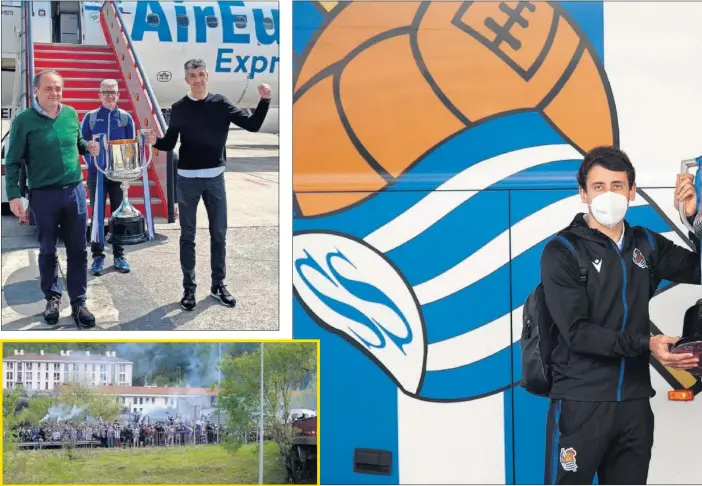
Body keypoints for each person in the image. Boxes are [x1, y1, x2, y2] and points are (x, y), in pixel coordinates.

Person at [540, 146, 700, 485]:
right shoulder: (562, 251)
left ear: (631, 191)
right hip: (581, 402)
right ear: (583, 193)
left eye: (617, 185)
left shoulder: (646, 244)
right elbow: (577, 333)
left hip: (634, 405)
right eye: (598, 187)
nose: (608, 194)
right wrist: (648, 343)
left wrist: (695, 219)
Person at [145, 58, 272, 311]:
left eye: (201, 74)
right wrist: (154, 141)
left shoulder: (221, 103)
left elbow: (253, 125)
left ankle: (218, 285)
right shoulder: (180, 108)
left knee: (219, 235)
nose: (198, 79)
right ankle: (189, 289)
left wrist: (265, 100)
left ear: (207, 76)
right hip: (188, 180)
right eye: (193, 75)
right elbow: (170, 144)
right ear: (186, 80)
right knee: (188, 236)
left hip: (215, 179)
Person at [4, 69, 100, 327]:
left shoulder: (70, 114)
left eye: (58, 88)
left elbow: (78, 141)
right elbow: (12, 162)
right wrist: (13, 196)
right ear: (36, 91)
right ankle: (52, 298)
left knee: (78, 249)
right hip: (43, 195)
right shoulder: (24, 121)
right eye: (48, 88)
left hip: (74, 192)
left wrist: (87, 147)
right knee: (47, 249)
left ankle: (79, 301)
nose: (54, 93)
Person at [81, 78, 135, 276]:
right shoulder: (91, 117)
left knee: (119, 215)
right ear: (100, 95)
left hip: (119, 176)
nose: (110, 96)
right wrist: (93, 164)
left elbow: (131, 147)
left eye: (113, 92)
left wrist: (128, 172)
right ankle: (97, 255)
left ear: (118, 94)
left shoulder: (125, 118)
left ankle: (119, 255)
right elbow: (83, 144)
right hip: (97, 175)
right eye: (106, 92)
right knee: (97, 216)